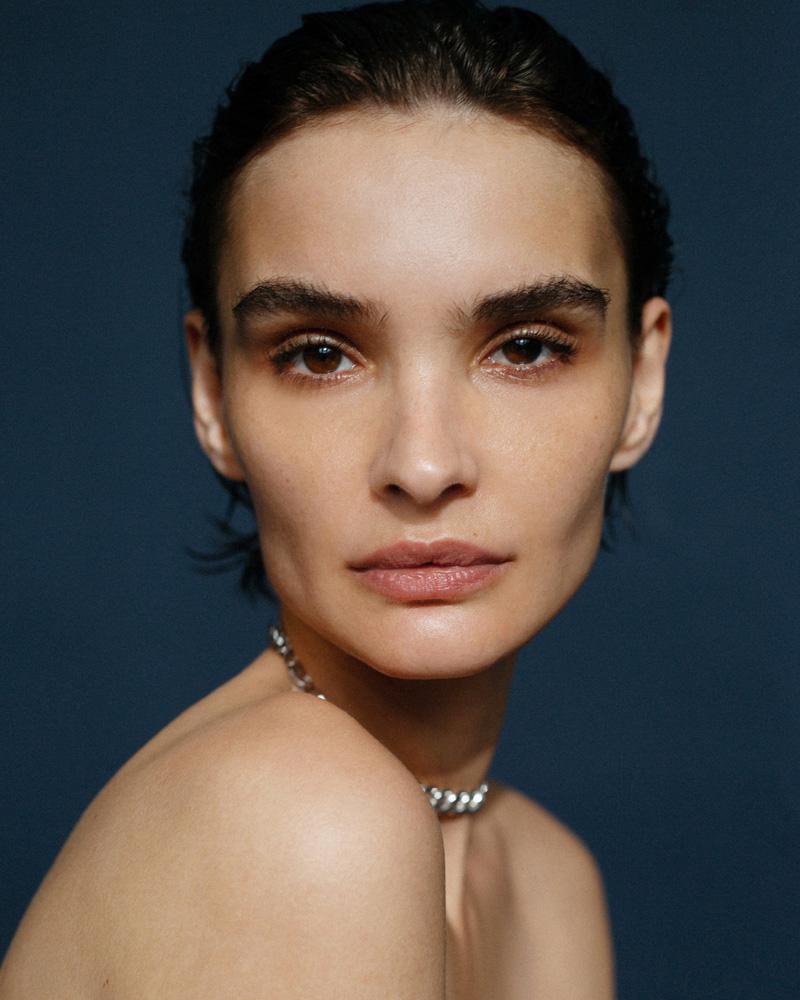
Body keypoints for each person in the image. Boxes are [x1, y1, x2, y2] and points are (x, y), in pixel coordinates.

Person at [1, 0, 672, 996]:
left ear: (641, 382)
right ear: (212, 394)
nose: (423, 464)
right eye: (319, 355)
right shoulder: (298, 823)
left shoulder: (546, 876)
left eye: (526, 347)